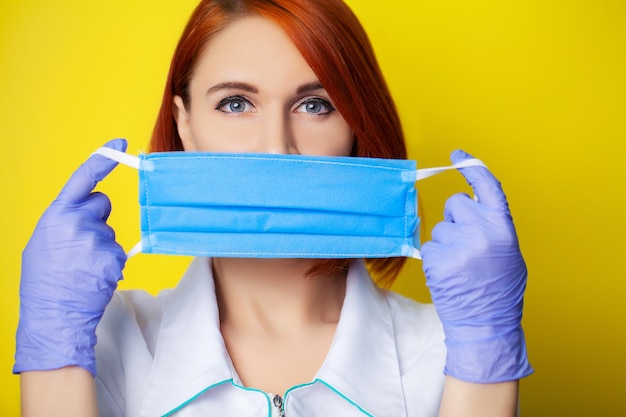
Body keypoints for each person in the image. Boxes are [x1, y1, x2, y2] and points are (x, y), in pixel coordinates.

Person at [14, 0, 533, 416]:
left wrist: (484, 360)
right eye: (235, 103)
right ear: (185, 124)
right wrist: (53, 357)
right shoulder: (101, 346)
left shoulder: (450, 352)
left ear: (356, 127)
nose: (276, 146)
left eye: (316, 104)